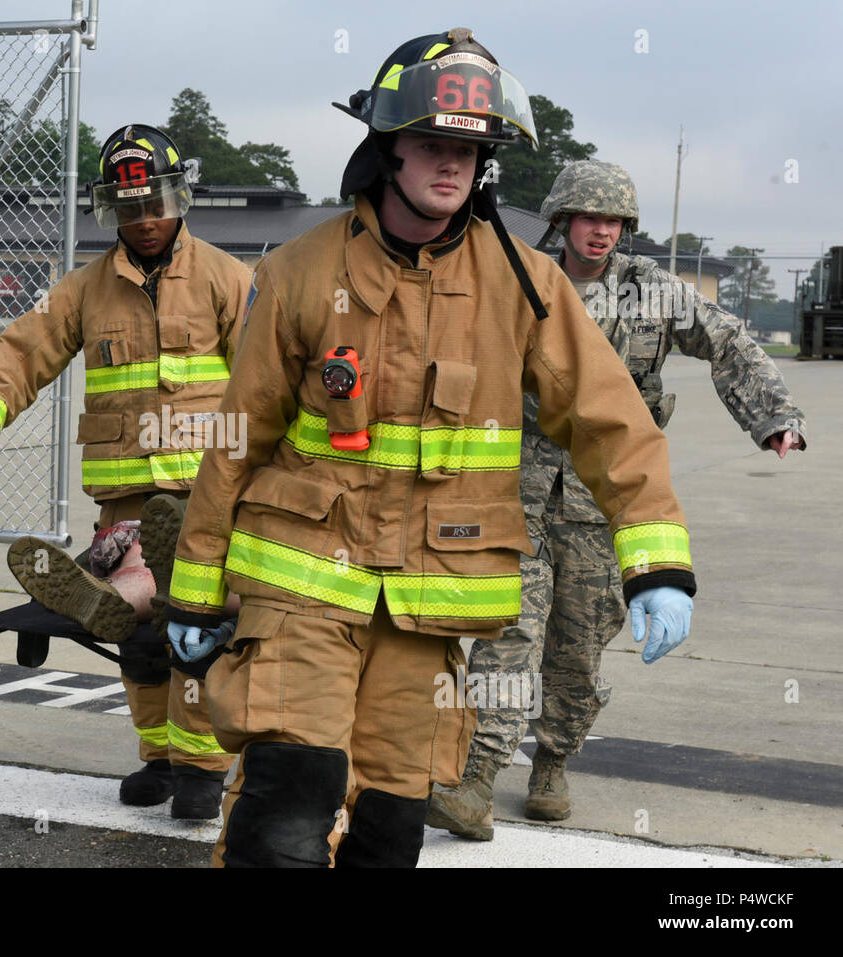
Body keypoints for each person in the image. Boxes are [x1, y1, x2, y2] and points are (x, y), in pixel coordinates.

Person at [162, 28, 699, 868]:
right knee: (290, 808)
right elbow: (239, 438)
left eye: (469, 149)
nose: (452, 164)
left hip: (429, 604)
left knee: (390, 827)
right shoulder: (302, 271)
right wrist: (194, 592)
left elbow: (611, 422)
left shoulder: (525, 283)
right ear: (388, 149)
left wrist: (656, 559)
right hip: (301, 586)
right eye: (431, 143)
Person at [427, 159, 805, 839]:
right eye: (588, 218)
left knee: (576, 651)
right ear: (561, 220)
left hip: (604, 506)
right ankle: (477, 776)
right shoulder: (518, 277)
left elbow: (729, 344)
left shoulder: (653, 292)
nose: (600, 232)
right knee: (506, 635)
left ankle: (553, 762)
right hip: (515, 492)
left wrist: (773, 416)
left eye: (613, 221)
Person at [0, 125, 252, 819]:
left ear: (180, 198)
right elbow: (22, 352)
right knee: (137, 636)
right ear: (109, 211)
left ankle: (202, 767)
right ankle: (157, 756)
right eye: (127, 209)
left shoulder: (226, 278)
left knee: (197, 626)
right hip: (127, 497)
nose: (144, 220)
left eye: (155, 204)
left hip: (205, 498)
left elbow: (268, 376)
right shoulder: (84, 289)